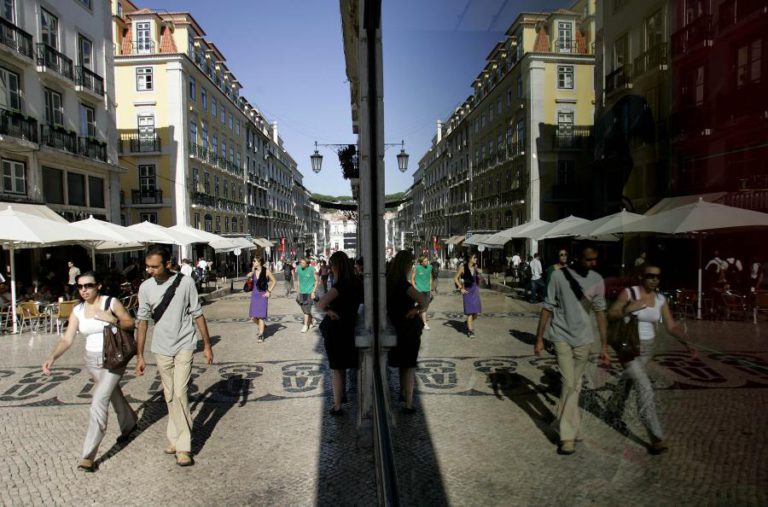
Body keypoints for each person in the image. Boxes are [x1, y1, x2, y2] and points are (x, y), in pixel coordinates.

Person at [42, 272, 137, 472]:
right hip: (92, 361)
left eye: (89, 285)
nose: (84, 290)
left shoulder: (110, 303)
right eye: (80, 286)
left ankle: (88, 455)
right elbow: (67, 339)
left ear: (98, 285)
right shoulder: (77, 310)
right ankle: (129, 422)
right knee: (112, 393)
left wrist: (112, 319)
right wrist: (52, 357)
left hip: (113, 359)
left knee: (99, 400)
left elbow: (130, 323)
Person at [134, 245, 213, 467]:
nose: (149, 270)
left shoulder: (186, 283)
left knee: (180, 392)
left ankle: (183, 447)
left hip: (185, 344)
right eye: (147, 266)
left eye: (154, 266)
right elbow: (142, 322)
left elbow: (198, 313)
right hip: (161, 347)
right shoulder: (145, 287)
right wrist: (139, 355)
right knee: (170, 395)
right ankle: (174, 436)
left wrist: (207, 344)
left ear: (167, 264)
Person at [607, 263, 697, 455]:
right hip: (629, 348)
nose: (654, 280)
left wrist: (687, 343)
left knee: (630, 380)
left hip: (647, 349)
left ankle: (613, 408)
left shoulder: (660, 299)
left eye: (657, 276)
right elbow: (612, 313)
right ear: (642, 277)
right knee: (644, 387)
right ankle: (656, 438)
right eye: (650, 276)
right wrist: (629, 308)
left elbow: (671, 326)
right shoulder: (629, 293)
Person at [534, 244, 610, 456]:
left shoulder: (597, 280)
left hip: (583, 340)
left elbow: (601, 313)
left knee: (574, 386)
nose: (593, 263)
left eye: (595, 259)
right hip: (561, 337)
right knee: (570, 383)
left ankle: (564, 424)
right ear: (577, 258)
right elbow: (547, 306)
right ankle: (567, 437)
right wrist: (539, 337)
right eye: (588, 259)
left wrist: (604, 344)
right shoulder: (558, 277)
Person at [316, 251, 363, 415]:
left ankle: (337, 405)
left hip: (336, 330)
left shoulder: (339, 286)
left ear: (336, 267)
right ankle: (343, 396)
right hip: (350, 327)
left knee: (337, 368)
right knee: (345, 364)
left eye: (331, 265)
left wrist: (329, 312)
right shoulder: (358, 282)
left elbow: (321, 304)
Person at [387, 250, 429, 413]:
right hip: (408, 328)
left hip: (395, 326)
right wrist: (417, 310)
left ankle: (403, 393)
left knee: (402, 364)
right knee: (409, 365)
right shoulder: (405, 286)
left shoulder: (389, 283)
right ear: (406, 266)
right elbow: (424, 300)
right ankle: (409, 403)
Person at [247, 257, 276, 341]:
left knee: (261, 317)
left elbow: (274, 281)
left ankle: (261, 335)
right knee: (253, 317)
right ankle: (263, 326)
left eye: (254, 261)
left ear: (259, 262)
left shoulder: (266, 271)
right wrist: (252, 271)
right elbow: (248, 277)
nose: (253, 262)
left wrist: (269, 291)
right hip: (254, 295)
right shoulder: (254, 271)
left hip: (262, 295)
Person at [454, 253, 481, 337]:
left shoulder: (475, 267)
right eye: (474, 257)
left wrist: (479, 273)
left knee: (475, 313)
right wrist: (460, 288)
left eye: (476, 257)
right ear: (469, 258)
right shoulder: (463, 267)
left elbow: (477, 278)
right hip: (467, 292)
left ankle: (467, 322)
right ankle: (470, 331)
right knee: (469, 313)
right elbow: (455, 278)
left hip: (475, 291)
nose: (476, 259)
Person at [295, 257, 319, 332]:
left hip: (309, 292)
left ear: (307, 264)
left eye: (303, 263)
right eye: (300, 263)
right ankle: (312, 319)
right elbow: (298, 279)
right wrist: (297, 291)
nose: (301, 264)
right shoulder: (298, 268)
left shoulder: (312, 269)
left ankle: (305, 326)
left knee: (306, 309)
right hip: (302, 292)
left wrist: (313, 292)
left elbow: (316, 281)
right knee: (304, 307)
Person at [411, 255, 433, 330]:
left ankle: (414, 314)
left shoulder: (430, 267)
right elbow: (412, 279)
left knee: (426, 306)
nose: (426, 262)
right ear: (421, 262)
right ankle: (424, 323)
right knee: (423, 306)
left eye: (427, 260)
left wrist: (430, 287)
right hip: (419, 290)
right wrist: (415, 287)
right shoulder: (416, 268)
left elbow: (430, 277)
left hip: (427, 290)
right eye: (425, 261)